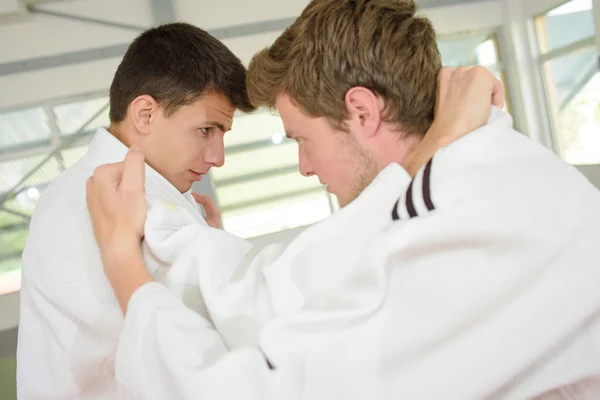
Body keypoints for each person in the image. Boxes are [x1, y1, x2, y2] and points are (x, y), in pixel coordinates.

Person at [86, 0, 600, 398]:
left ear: (361, 111)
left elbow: (260, 390)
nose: (305, 167)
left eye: (302, 141)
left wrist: (122, 264)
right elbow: (304, 281)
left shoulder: (480, 220)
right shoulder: (466, 171)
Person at [16, 22, 254, 399]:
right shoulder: (133, 204)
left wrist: (204, 233)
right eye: (207, 129)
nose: (217, 158)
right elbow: (219, 331)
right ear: (144, 114)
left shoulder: (72, 188)